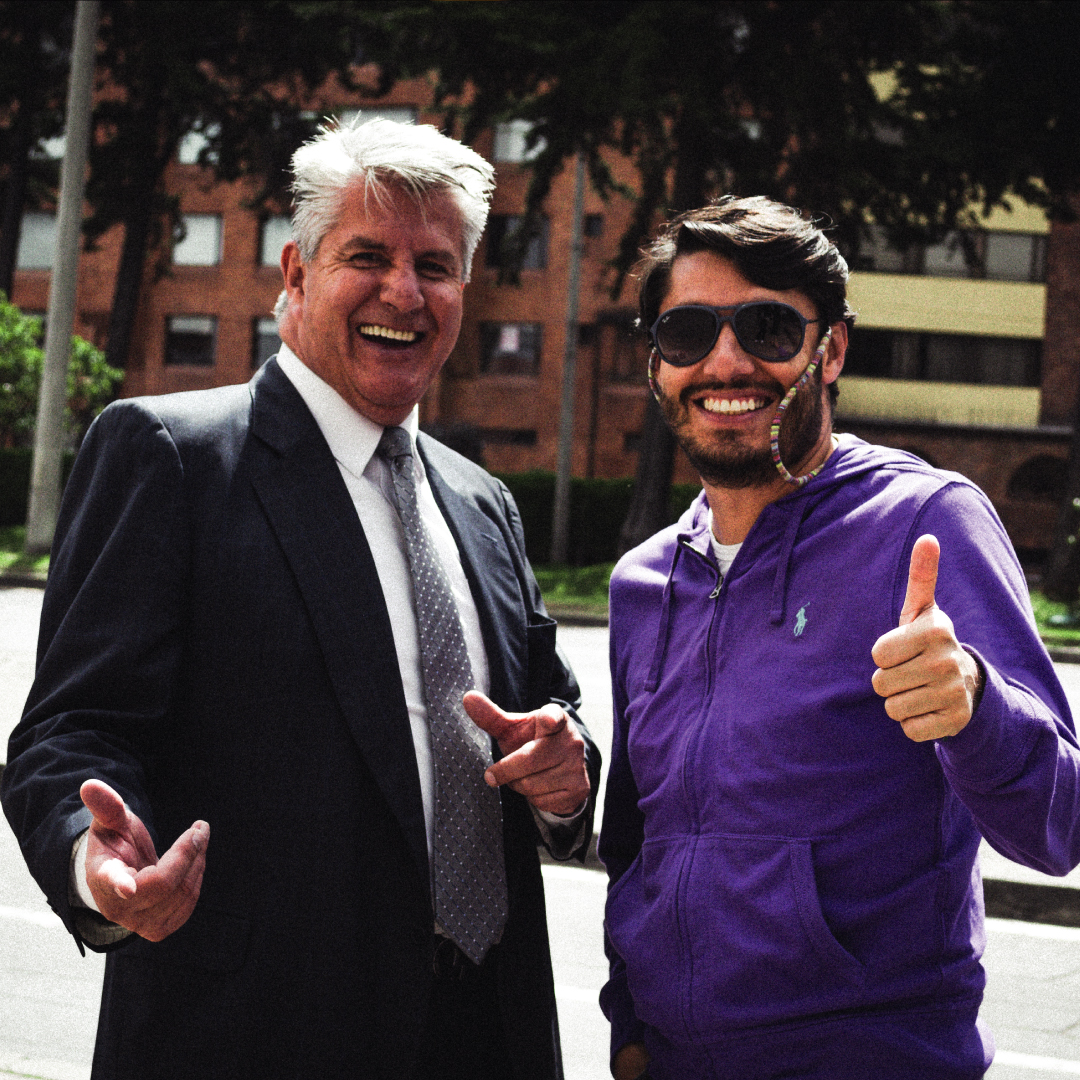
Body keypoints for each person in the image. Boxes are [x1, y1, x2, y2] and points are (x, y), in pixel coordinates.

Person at [1, 117, 599, 1080]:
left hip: (489, 1033)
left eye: (436, 266)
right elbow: (67, 733)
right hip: (253, 1036)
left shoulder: (484, 502)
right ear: (295, 272)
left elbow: (548, 722)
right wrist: (94, 865)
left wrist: (567, 781)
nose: (404, 291)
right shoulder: (170, 456)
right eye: (368, 255)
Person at [598, 195, 1080, 1080]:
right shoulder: (644, 582)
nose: (727, 361)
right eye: (688, 332)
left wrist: (974, 704)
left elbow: (1059, 824)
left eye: (771, 328)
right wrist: (630, 1030)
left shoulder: (925, 523)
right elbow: (636, 843)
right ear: (658, 363)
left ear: (833, 350)